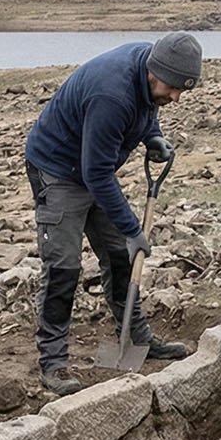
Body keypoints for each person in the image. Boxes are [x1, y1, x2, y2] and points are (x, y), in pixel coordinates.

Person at [24, 32, 201, 396]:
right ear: (154, 71)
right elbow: (96, 174)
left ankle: (137, 339)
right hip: (57, 170)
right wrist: (133, 227)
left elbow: (147, 108)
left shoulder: (148, 68)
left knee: (121, 256)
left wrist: (152, 134)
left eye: (182, 90)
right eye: (173, 88)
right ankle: (53, 363)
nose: (176, 98)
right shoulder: (112, 94)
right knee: (63, 267)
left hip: (92, 167)